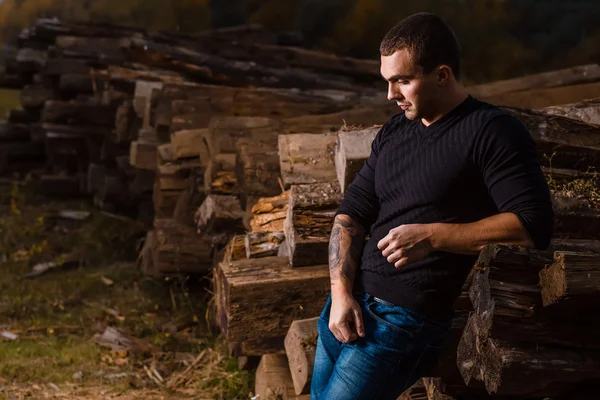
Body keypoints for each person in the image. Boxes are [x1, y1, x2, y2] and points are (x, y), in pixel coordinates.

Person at [310, 12, 554, 400]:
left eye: (402, 81)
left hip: (405, 318)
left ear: (442, 75)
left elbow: (532, 224)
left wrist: (433, 236)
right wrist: (340, 294)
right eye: (387, 81)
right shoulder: (394, 132)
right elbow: (350, 214)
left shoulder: (491, 131)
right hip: (346, 304)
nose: (391, 94)